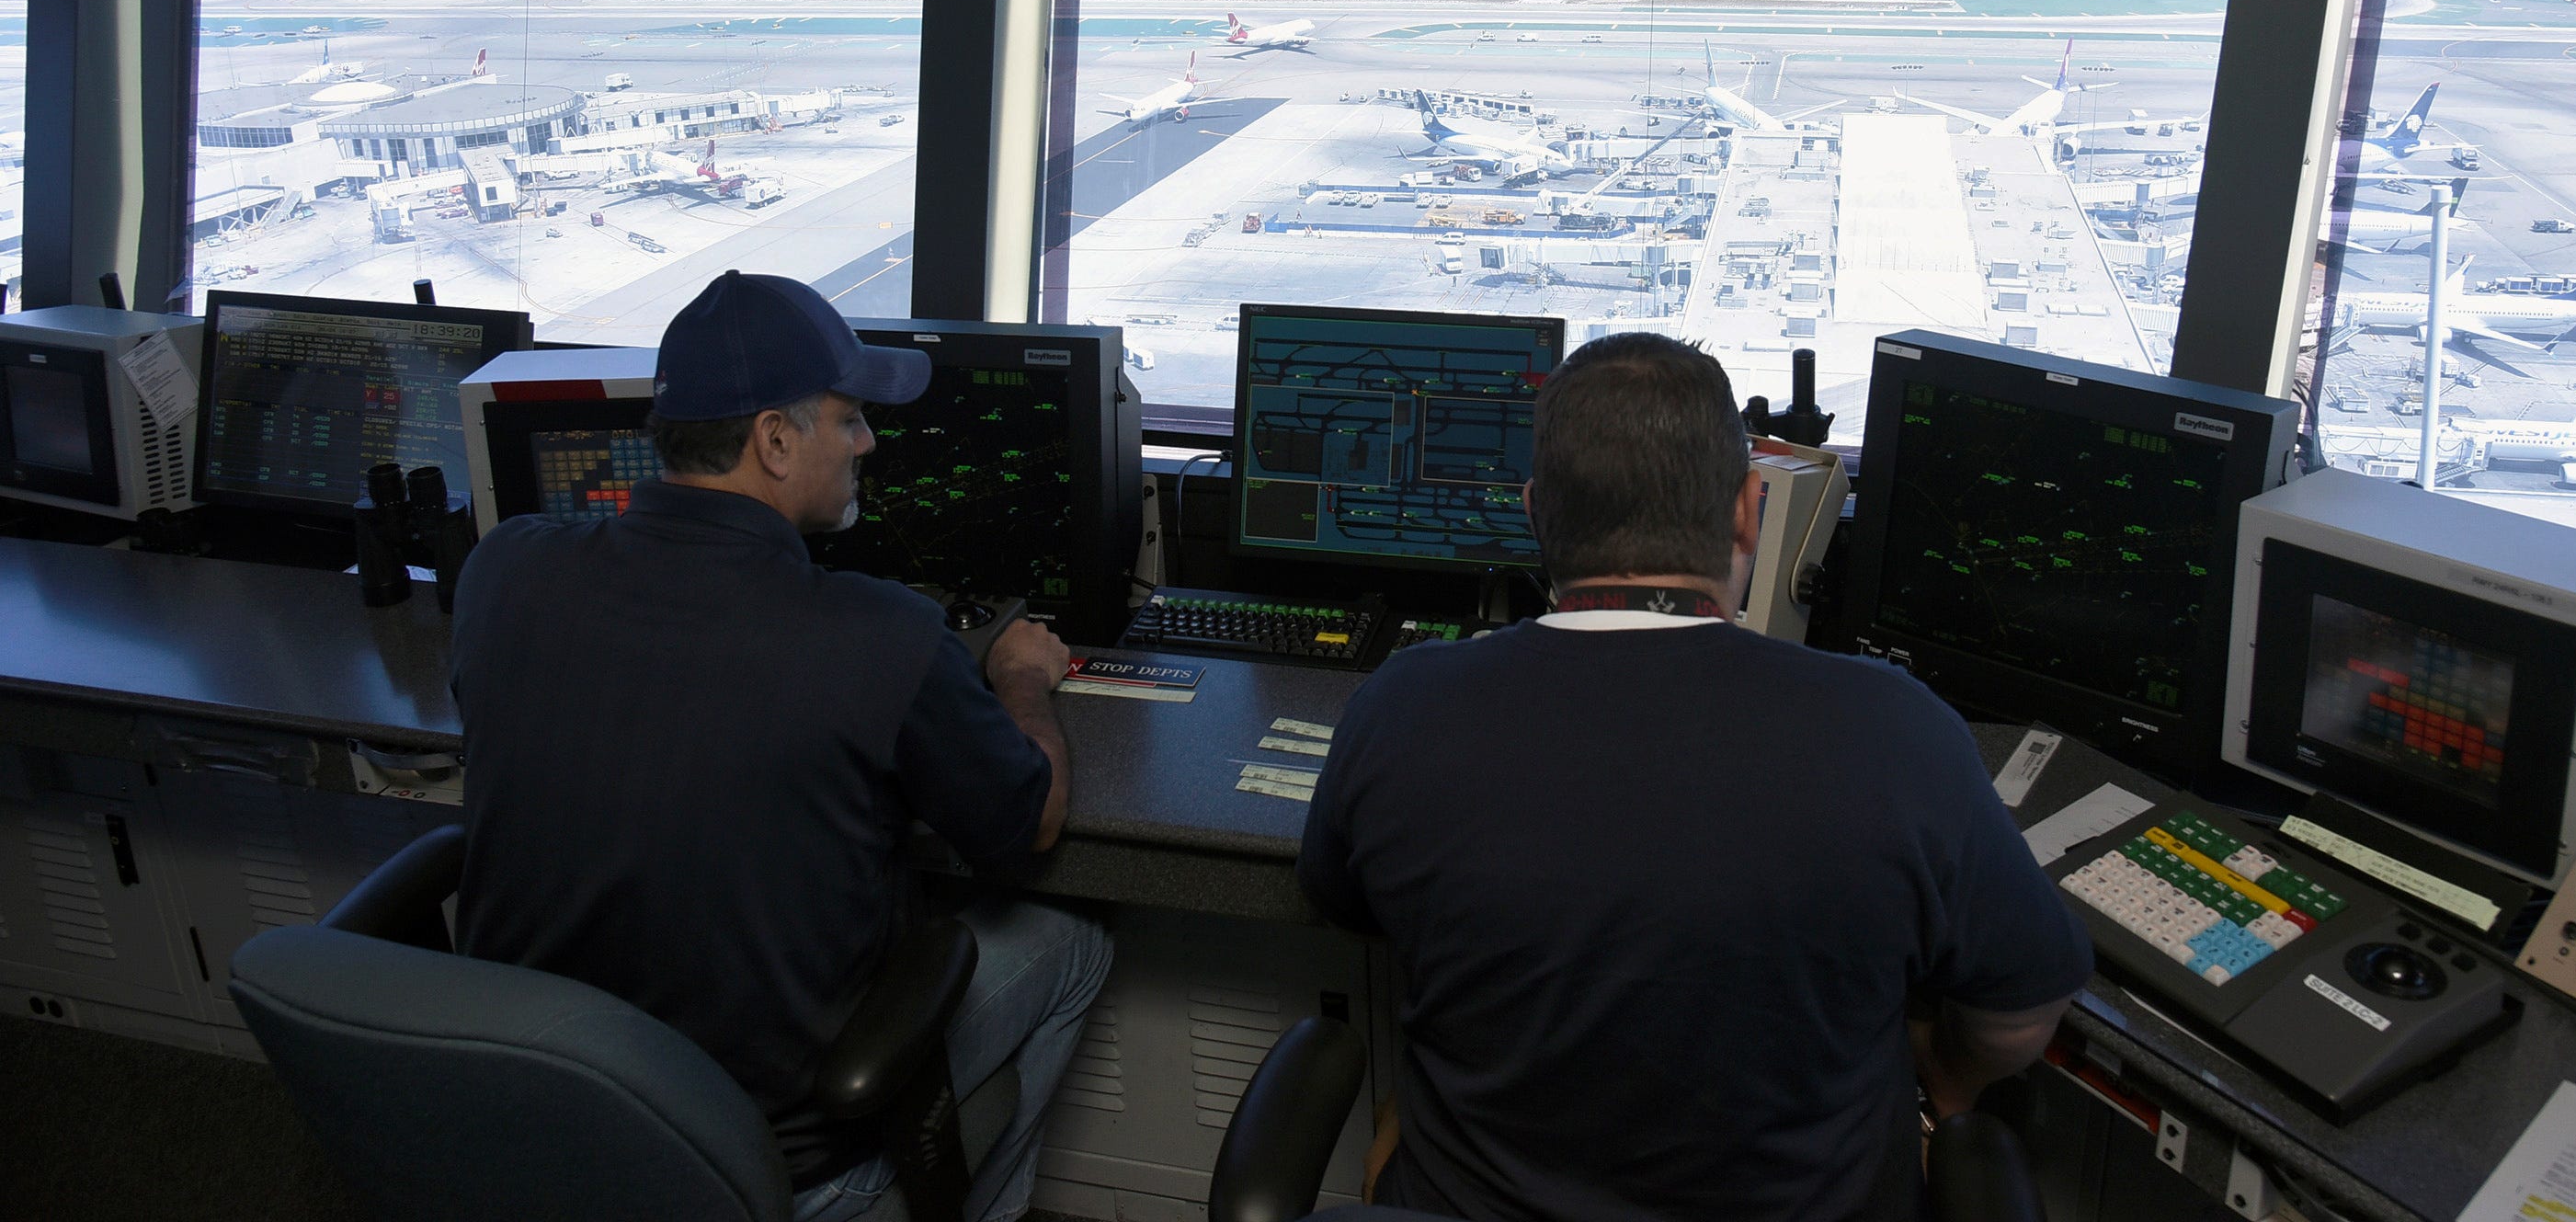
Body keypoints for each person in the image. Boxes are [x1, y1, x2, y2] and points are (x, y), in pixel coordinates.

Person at [1297, 332, 2092, 1222]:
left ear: (1535, 513)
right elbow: (2023, 1009)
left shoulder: (1404, 704)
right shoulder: (1897, 728)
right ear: (1749, 512)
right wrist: (1946, 1079)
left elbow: (1343, 901)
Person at [451, 271, 1110, 1222]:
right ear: (773, 438)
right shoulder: (879, 635)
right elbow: (1029, 820)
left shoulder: (503, 570)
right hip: (774, 1164)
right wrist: (1019, 675)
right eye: (848, 419)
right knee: (1073, 938)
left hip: (547, 1130)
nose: (868, 442)